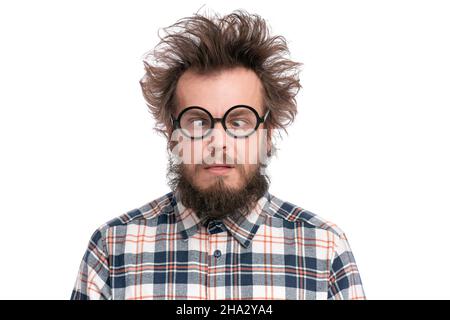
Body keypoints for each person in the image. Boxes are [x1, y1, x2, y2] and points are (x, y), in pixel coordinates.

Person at [70, 9, 366, 300]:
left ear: (268, 133)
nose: (218, 142)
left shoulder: (324, 248)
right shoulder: (113, 248)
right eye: (198, 122)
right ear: (170, 133)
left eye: (239, 122)